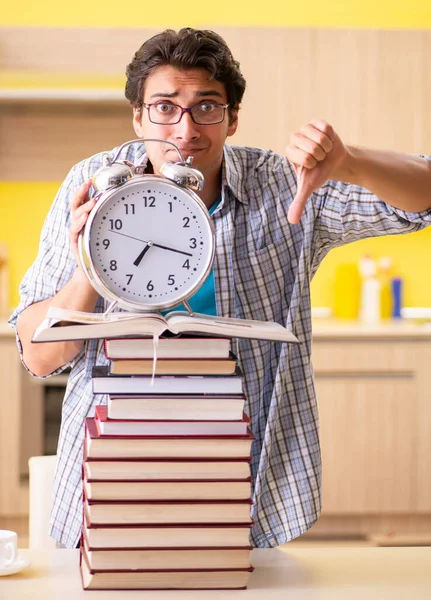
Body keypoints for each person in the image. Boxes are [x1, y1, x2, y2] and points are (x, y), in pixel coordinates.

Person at [9, 27, 431, 549]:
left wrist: (348, 162)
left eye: (206, 107)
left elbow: (420, 200)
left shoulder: (284, 185)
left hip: (241, 464)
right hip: (117, 461)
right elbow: (40, 356)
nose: (184, 130)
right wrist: (86, 271)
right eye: (164, 107)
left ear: (232, 118)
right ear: (138, 117)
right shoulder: (93, 184)